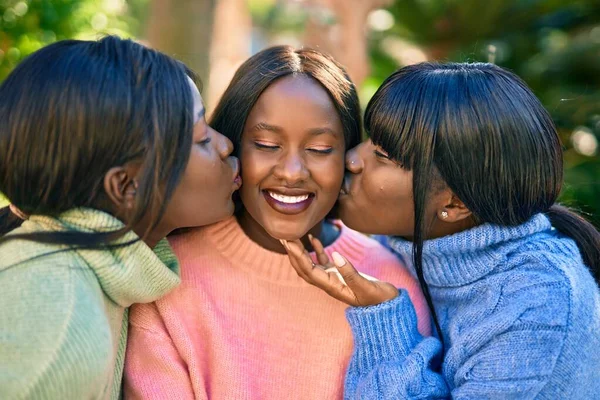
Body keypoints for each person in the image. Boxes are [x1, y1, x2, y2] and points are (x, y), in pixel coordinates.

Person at [123, 45, 430, 400]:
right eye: (267, 144)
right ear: (232, 143)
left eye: (319, 150)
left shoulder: (390, 284)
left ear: (347, 155)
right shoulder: (168, 275)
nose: (291, 172)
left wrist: (382, 318)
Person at [282, 62, 600, 399]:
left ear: (456, 204)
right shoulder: (409, 242)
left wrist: (385, 319)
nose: (352, 160)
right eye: (369, 139)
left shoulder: (537, 308)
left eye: (382, 155)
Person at [0, 36, 241, 399]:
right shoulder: (56, 321)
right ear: (127, 186)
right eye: (202, 138)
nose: (225, 145)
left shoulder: (92, 267)